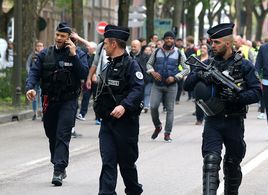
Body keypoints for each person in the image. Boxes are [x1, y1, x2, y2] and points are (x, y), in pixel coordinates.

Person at [183, 23, 261, 195]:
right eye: (211, 42)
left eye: (216, 42)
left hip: (234, 120)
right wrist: (200, 74)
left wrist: (237, 97)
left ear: (227, 43)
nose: (212, 46)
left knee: (232, 165)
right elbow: (187, 85)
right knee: (210, 161)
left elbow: (256, 92)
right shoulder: (207, 63)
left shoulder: (245, 65)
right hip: (213, 120)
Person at [25, 22, 88, 186]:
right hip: (49, 101)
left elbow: (83, 73)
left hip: (68, 101)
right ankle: (58, 161)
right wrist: (30, 88)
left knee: (62, 135)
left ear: (69, 38)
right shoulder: (45, 53)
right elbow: (34, 72)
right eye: (58, 35)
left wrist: (74, 56)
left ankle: (59, 170)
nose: (59, 38)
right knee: (51, 134)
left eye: (63, 36)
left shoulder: (78, 54)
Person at [93, 25, 144, 194]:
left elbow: (138, 90)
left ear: (114, 44)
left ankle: (134, 190)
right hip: (108, 123)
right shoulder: (109, 66)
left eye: (106, 43)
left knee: (126, 164)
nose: (104, 46)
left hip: (126, 124)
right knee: (108, 161)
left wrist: (124, 105)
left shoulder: (132, 65)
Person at [146, 31, 190, 142]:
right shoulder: (156, 51)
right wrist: (152, 72)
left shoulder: (179, 53)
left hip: (172, 86)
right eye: (167, 38)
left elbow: (187, 68)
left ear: (174, 40)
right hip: (157, 85)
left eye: (171, 38)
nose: (169, 40)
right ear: (164, 40)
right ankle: (158, 126)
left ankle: (167, 133)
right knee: (153, 107)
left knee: (170, 110)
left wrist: (176, 77)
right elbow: (148, 64)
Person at [26, 41, 44, 120]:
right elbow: (28, 65)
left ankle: (42, 111)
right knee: (34, 95)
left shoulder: (44, 55)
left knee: (42, 95)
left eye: (41, 46)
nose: (39, 47)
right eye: (38, 46)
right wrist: (31, 74)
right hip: (34, 79)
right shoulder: (32, 56)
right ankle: (35, 112)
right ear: (36, 47)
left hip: (42, 79)